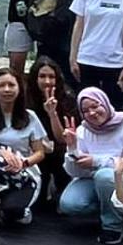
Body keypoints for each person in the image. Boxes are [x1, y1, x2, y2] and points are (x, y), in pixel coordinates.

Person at [60, 86, 123, 243]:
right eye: (85, 110)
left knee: (104, 176)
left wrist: (96, 161)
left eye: (95, 106)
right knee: (69, 204)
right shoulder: (82, 131)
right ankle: (110, 208)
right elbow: (74, 172)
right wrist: (71, 148)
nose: (92, 113)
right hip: (91, 179)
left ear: (105, 103)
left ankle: (114, 226)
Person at [0, 69, 49, 230]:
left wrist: (23, 163)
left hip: (24, 173)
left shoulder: (30, 116)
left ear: (19, 88)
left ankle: (13, 208)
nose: (7, 89)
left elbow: (39, 152)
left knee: (14, 213)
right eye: (2, 85)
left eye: (11, 85)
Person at [27, 55, 79, 209]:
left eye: (51, 77)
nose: (47, 81)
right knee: (38, 203)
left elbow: (63, 138)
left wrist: (52, 113)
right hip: (34, 148)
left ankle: (62, 190)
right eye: (42, 76)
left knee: (60, 156)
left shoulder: (67, 97)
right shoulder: (26, 96)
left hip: (58, 147)